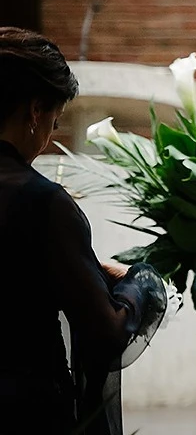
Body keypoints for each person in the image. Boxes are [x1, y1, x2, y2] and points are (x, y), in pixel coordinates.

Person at [0, 27, 166, 435]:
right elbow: (106, 332)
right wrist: (137, 283)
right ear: (35, 112)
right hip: (21, 410)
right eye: (55, 123)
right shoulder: (42, 202)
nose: (48, 137)